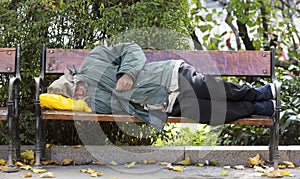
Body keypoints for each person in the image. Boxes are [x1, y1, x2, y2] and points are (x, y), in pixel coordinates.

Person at [73, 42, 276, 131]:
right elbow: (116, 109)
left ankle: (259, 93)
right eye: (73, 96)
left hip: (169, 76)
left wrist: (128, 73)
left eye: (75, 88)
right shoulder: (93, 102)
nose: (78, 94)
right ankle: (259, 108)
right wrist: (88, 102)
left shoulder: (94, 59)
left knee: (215, 89)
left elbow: (131, 49)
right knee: (213, 113)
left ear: (73, 78)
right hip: (162, 104)